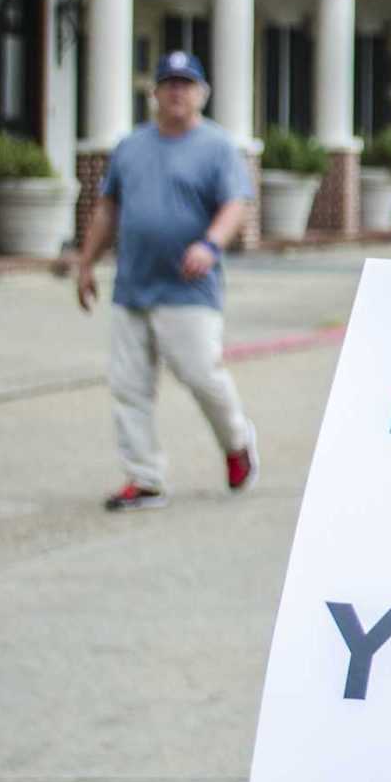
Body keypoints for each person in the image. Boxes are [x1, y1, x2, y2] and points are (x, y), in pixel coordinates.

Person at [74, 50, 259, 512]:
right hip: (132, 285)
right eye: (168, 84)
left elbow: (235, 204)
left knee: (201, 375)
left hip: (189, 289)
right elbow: (108, 208)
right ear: (154, 92)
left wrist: (210, 245)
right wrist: (85, 263)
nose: (177, 91)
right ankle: (144, 478)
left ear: (201, 93)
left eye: (186, 83)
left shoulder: (216, 146)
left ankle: (237, 443)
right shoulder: (131, 146)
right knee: (128, 386)